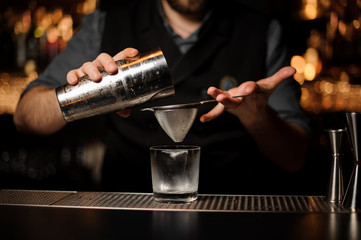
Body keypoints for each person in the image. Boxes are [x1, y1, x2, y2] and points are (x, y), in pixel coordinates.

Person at [13, 0, 310, 194]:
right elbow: (26, 118)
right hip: (125, 212)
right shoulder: (106, 22)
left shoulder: (259, 30)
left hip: (234, 212)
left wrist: (258, 117)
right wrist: (85, 93)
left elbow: (295, 158)